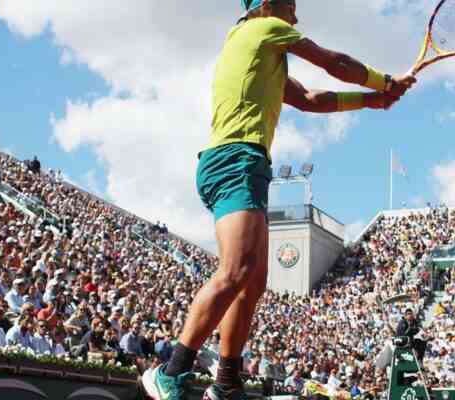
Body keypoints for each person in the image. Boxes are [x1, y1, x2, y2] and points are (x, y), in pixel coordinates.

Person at [141, 1, 414, 399]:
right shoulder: (265, 27)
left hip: (240, 161)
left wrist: (370, 101)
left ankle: (226, 383)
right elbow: (333, 61)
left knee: (253, 282)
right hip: (236, 158)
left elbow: (308, 98)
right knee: (237, 270)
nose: (296, 17)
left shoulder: (256, 47)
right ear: (267, 5)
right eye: (291, 6)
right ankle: (170, 371)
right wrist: (383, 82)